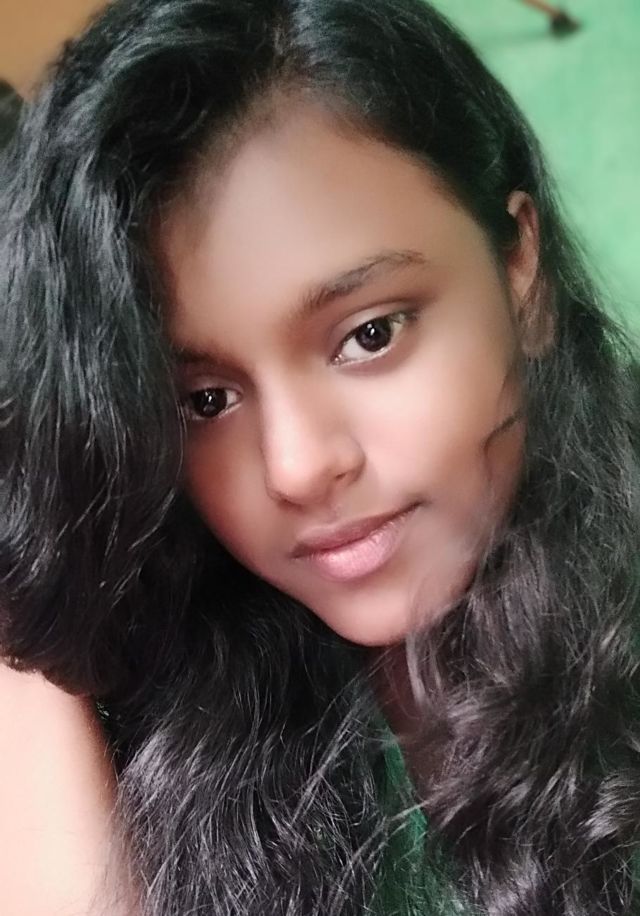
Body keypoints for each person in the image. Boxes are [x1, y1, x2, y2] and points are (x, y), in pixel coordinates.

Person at [1, 0, 638, 914]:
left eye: (370, 334)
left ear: (519, 270)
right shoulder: (176, 646)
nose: (297, 468)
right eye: (205, 400)